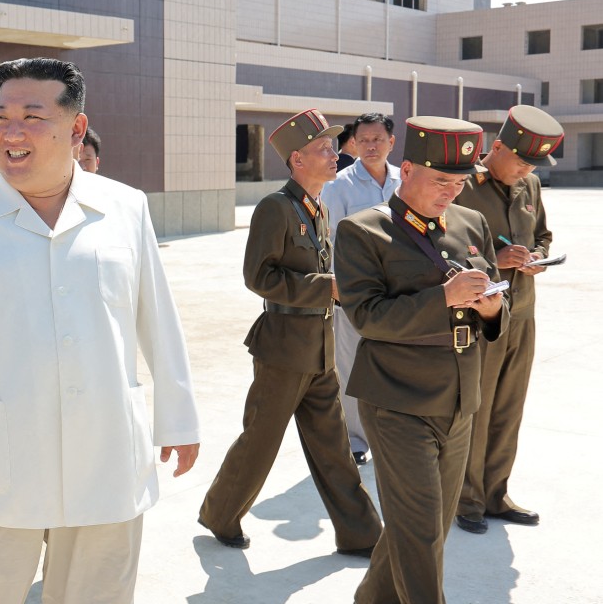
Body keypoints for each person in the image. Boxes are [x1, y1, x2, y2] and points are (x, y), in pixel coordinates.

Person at [0, 58, 200, 604]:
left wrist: (178, 417)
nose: (11, 132)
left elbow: (156, 317)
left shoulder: (124, 207)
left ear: (74, 129)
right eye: (0, 117)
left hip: (105, 455)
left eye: (30, 116)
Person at [334, 116, 509, 604]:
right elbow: (367, 317)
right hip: (397, 399)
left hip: (458, 398)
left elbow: (496, 306)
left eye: (458, 182)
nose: (451, 192)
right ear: (406, 169)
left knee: (425, 525)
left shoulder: (472, 224)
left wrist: (494, 308)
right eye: (440, 181)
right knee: (423, 532)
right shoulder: (363, 231)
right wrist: (445, 298)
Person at [198, 109, 382, 555]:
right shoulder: (275, 208)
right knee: (260, 441)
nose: (335, 154)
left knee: (335, 446)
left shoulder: (316, 207)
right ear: (296, 159)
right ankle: (221, 514)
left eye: (334, 146)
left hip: (318, 349)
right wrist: (328, 288)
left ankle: (361, 534)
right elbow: (258, 277)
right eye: (323, 148)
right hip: (282, 349)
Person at [454, 105, 562, 534]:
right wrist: (493, 260)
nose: (525, 169)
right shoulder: (463, 188)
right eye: (519, 159)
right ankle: (467, 499)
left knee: (509, 406)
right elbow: (445, 245)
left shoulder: (529, 185)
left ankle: (497, 493)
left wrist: (537, 257)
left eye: (532, 163)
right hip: (482, 315)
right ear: (495, 147)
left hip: (524, 312)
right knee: (476, 408)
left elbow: (542, 236)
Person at [322, 113, 401, 465]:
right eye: (363, 140)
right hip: (355, 295)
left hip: (400, 291)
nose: (370, 146)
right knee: (350, 365)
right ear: (353, 144)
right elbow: (328, 240)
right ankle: (354, 440)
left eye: (377, 139)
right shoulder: (338, 186)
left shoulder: (405, 181)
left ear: (391, 143)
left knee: (395, 364)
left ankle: (389, 432)